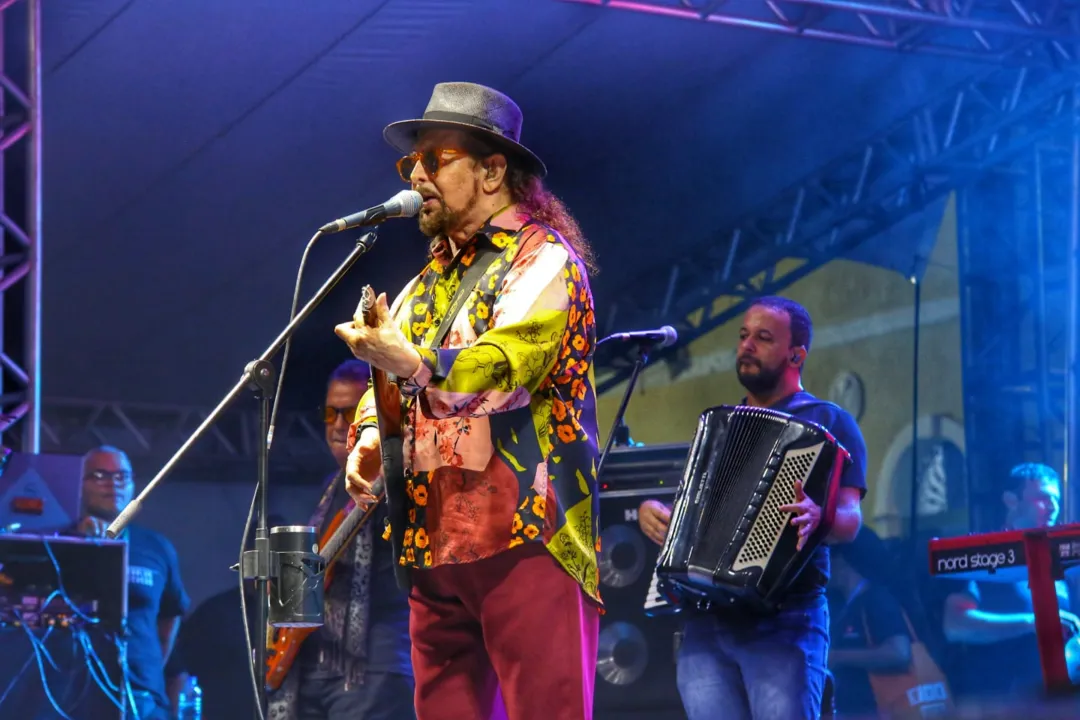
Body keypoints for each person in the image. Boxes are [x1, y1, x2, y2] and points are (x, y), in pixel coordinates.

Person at [333, 81, 601, 720]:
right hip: (432, 544)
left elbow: (507, 368)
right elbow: (388, 382)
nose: (418, 175)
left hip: (526, 538)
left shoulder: (544, 261)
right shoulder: (421, 285)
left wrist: (407, 360)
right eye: (412, 164)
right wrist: (369, 435)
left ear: (491, 170)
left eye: (435, 159)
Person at [637, 296, 867, 720]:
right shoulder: (721, 426)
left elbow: (851, 520)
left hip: (785, 619)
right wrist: (653, 509)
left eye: (763, 338)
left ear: (796, 353)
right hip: (707, 621)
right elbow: (693, 503)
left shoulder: (829, 421)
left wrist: (822, 517)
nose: (746, 345)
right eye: (743, 336)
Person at [266, 359, 415, 720]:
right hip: (314, 663)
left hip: (372, 665)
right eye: (329, 412)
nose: (336, 425)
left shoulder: (400, 478)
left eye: (349, 414)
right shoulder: (328, 491)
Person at [71, 445, 190, 720]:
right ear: (80, 483)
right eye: (100, 475)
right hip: (76, 695)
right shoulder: (60, 542)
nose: (112, 484)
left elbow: (169, 617)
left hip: (143, 698)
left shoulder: (156, 546)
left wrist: (147, 669)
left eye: (121, 476)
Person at [941, 462, 1078, 698]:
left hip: (1057, 701)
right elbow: (953, 624)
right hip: (1001, 703)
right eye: (1043, 498)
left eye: (1056, 499)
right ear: (1011, 500)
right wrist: (1031, 622)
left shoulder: (1062, 561)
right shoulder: (983, 556)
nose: (1053, 507)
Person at [827, 529, 913, 717]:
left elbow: (899, 652)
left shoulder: (876, 599)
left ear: (842, 560)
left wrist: (837, 657)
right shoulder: (847, 604)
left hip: (878, 710)